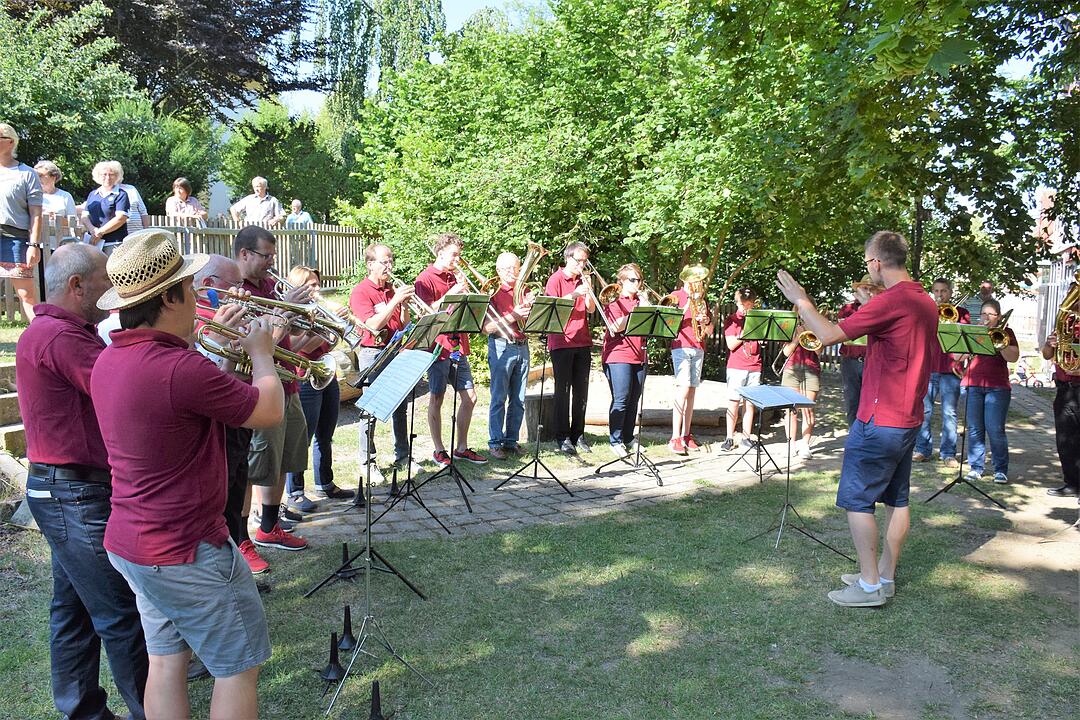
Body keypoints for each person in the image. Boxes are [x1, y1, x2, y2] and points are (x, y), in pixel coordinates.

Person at [90, 229, 284, 719]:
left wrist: (207, 341)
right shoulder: (180, 367)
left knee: (166, 660)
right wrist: (262, 351)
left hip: (133, 542)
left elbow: (174, 395)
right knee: (237, 669)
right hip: (185, 548)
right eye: (191, 288)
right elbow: (267, 411)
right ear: (171, 297)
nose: (198, 294)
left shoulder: (111, 357)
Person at [17, 243, 148, 720]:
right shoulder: (60, 336)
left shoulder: (64, 331)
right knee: (120, 613)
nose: (111, 292)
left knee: (73, 611)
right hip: (74, 492)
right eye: (104, 282)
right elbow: (123, 388)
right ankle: (148, 710)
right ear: (77, 286)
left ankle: (83, 710)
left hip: (65, 489)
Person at [777, 230, 938, 607]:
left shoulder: (894, 299)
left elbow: (830, 334)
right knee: (897, 500)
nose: (868, 269)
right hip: (908, 417)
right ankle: (885, 575)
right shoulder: (924, 300)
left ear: (877, 262)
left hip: (880, 418)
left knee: (857, 500)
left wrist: (802, 301)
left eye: (868, 263)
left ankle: (868, 586)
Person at [234, 225, 312, 553]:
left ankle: (269, 526)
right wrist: (286, 311)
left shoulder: (270, 286)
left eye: (273, 255)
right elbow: (257, 345)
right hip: (261, 387)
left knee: (282, 459)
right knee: (254, 466)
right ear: (244, 254)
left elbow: (285, 339)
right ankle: (242, 539)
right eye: (266, 255)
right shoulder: (235, 290)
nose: (272, 262)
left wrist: (301, 322)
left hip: (287, 381)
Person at [192, 254, 270, 574]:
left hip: (237, 413)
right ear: (210, 285)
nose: (243, 291)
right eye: (235, 284)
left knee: (237, 483)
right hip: (218, 424)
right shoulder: (201, 319)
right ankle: (229, 557)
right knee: (223, 494)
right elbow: (207, 378)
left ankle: (238, 547)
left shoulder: (227, 315)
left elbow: (229, 370)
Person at [414, 233, 487, 465]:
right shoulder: (425, 279)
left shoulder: (454, 277)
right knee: (437, 397)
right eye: (454, 255)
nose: (458, 259)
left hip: (458, 343)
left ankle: (462, 447)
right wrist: (452, 293)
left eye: (459, 255)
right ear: (440, 252)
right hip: (438, 345)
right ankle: (438, 449)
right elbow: (426, 312)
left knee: (470, 397)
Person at [349, 243, 415, 480]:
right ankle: (367, 461)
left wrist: (404, 306)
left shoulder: (391, 290)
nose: (389, 266)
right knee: (371, 409)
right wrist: (395, 301)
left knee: (401, 406)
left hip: (395, 350)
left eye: (391, 261)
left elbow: (404, 325)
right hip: (372, 353)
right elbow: (373, 324)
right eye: (384, 261)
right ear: (370, 264)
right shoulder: (361, 292)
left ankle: (403, 455)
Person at [284, 265, 343, 512]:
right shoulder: (295, 313)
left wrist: (335, 326)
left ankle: (325, 482)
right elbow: (301, 347)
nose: (316, 289)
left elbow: (329, 344)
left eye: (318, 284)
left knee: (326, 433)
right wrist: (327, 327)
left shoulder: (317, 311)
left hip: (325, 371)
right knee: (302, 439)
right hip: (305, 375)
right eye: (311, 285)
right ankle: (295, 492)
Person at [545, 242, 596, 454]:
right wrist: (575, 294)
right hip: (561, 342)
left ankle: (578, 434)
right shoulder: (556, 279)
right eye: (579, 261)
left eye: (585, 261)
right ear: (568, 258)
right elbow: (552, 307)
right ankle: (562, 436)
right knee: (563, 391)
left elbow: (592, 309)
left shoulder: (584, 279)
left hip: (582, 340)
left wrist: (589, 293)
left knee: (581, 392)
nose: (582, 265)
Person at [961, 300, 1019, 484]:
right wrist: (972, 337)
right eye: (983, 314)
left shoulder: (1006, 333)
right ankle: (976, 467)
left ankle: (1000, 470)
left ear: (999, 317)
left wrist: (999, 340)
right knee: (975, 429)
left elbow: (1014, 357)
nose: (986, 318)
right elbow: (957, 356)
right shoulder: (975, 331)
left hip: (997, 386)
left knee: (995, 429)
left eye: (990, 315)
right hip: (973, 383)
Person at [914, 278, 971, 466]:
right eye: (936, 291)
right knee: (925, 410)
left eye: (943, 291)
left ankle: (948, 454)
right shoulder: (927, 311)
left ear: (950, 292)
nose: (940, 295)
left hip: (950, 369)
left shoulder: (961, 313)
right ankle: (922, 449)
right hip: (928, 367)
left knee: (949, 412)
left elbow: (965, 340)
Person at [485, 252, 534, 459]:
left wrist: (533, 308)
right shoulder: (491, 293)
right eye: (506, 269)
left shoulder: (525, 291)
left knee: (519, 398)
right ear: (498, 271)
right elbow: (487, 328)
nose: (512, 272)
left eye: (515, 268)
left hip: (522, 345)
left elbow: (532, 322)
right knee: (499, 397)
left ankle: (511, 440)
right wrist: (513, 315)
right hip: (501, 346)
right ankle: (495, 442)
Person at [601, 264, 647, 457]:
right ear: (621, 282)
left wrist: (646, 306)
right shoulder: (613, 302)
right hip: (618, 355)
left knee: (634, 399)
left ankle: (628, 437)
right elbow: (616, 327)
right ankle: (615, 440)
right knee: (621, 399)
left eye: (639, 280)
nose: (636, 284)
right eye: (632, 280)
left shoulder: (640, 302)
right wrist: (636, 312)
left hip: (640, 354)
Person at [668, 265, 713, 455]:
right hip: (681, 345)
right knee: (683, 388)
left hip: (698, 346)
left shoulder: (703, 301)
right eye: (694, 279)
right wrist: (688, 304)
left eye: (699, 280)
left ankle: (687, 435)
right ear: (686, 280)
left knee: (692, 391)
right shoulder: (676, 295)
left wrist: (706, 321)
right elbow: (670, 321)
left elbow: (709, 332)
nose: (697, 283)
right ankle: (674, 437)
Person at [0, 123, 43, 322]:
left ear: (10, 142)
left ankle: (39, 339)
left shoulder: (27, 173)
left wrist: (33, 245)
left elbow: (36, 212)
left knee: (26, 295)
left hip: (15, 239)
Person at [1041, 295, 1080, 498]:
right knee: (1065, 439)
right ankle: (1072, 483)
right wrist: (1050, 344)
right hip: (1065, 389)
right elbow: (1047, 355)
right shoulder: (1063, 328)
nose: (1073, 309)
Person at [721, 288, 761, 451]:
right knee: (733, 402)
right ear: (737, 303)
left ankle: (746, 437)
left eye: (749, 305)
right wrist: (746, 331)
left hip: (755, 364)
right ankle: (729, 437)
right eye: (742, 304)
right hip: (737, 366)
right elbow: (731, 345)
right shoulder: (731, 320)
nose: (745, 308)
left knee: (749, 403)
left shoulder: (758, 320)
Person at [837, 275, 880, 427]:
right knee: (851, 400)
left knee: (873, 401)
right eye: (865, 288)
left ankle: (869, 435)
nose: (868, 292)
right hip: (850, 361)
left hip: (873, 362)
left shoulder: (882, 309)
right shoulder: (848, 309)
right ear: (858, 289)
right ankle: (853, 434)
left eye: (872, 289)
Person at [780, 320, 822, 459]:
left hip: (811, 369)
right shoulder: (790, 326)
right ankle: (790, 445)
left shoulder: (817, 325)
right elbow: (786, 352)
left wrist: (810, 332)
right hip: (791, 369)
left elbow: (819, 351)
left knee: (808, 409)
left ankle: (805, 445)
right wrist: (798, 337)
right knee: (791, 410)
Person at [82, 160, 130, 255]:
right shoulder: (92, 194)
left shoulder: (121, 195)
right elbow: (84, 216)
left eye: (111, 174)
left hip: (114, 243)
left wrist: (100, 232)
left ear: (117, 176)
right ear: (98, 176)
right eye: (104, 174)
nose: (107, 177)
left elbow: (121, 218)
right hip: (93, 242)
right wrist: (93, 230)